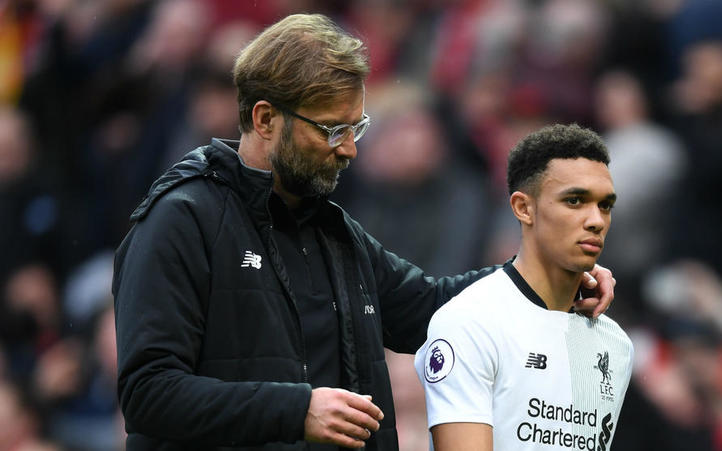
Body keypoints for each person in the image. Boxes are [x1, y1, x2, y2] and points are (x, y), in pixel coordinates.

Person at [112, 14, 616, 451]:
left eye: (358, 128)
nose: (349, 149)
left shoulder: (334, 230)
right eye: (332, 130)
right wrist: (295, 410)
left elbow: (429, 307)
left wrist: (549, 277)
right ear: (265, 119)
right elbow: (148, 394)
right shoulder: (182, 219)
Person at [415, 124, 633, 451]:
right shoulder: (469, 322)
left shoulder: (616, 345)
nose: (596, 220)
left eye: (605, 205)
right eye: (575, 200)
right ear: (523, 208)